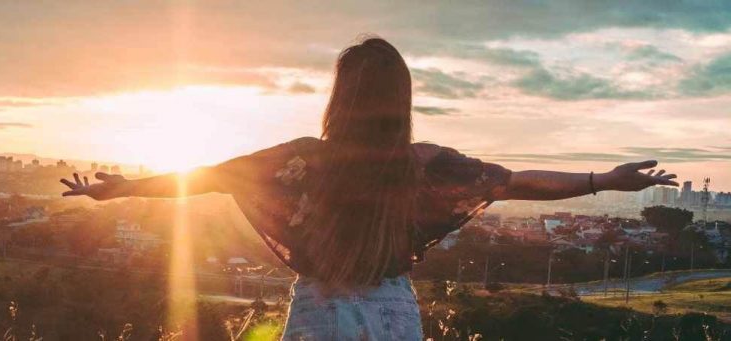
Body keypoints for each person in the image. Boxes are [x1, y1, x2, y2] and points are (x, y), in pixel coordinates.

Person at [60, 37, 678, 340]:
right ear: (401, 99)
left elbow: (205, 178)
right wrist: (603, 180)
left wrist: (122, 190)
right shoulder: (426, 164)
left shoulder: (303, 160)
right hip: (392, 312)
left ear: (340, 96)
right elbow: (517, 184)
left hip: (321, 310)